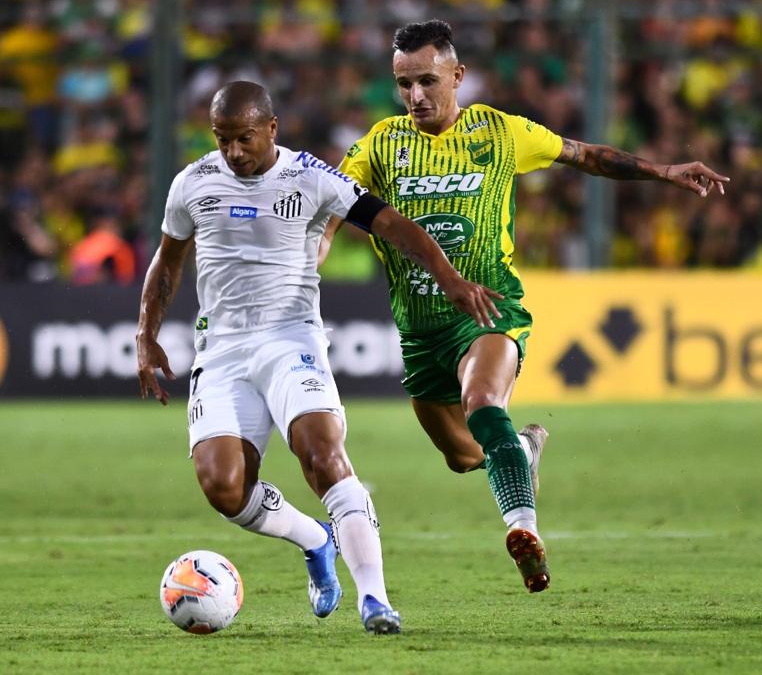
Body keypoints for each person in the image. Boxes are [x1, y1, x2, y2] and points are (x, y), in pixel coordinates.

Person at [320, 20, 730, 593]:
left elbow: (583, 155)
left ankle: (523, 530)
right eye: (404, 84)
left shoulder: (499, 131)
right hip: (420, 333)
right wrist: (316, 245)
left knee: (484, 402)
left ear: (458, 75)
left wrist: (662, 171)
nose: (416, 96)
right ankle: (524, 448)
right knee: (465, 457)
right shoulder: (381, 143)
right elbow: (333, 202)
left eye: (428, 81)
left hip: (489, 309)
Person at [136, 81, 503, 634]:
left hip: (291, 339)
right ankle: (314, 540)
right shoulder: (192, 182)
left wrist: (448, 278)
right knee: (224, 488)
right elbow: (167, 262)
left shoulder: (310, 175)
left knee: (322, 453)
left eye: (244, 139)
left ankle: (375, 600)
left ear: (271, 129)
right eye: (223, 139)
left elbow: (394, 225)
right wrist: (146, 333)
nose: (233, 152)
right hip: (223, 349)